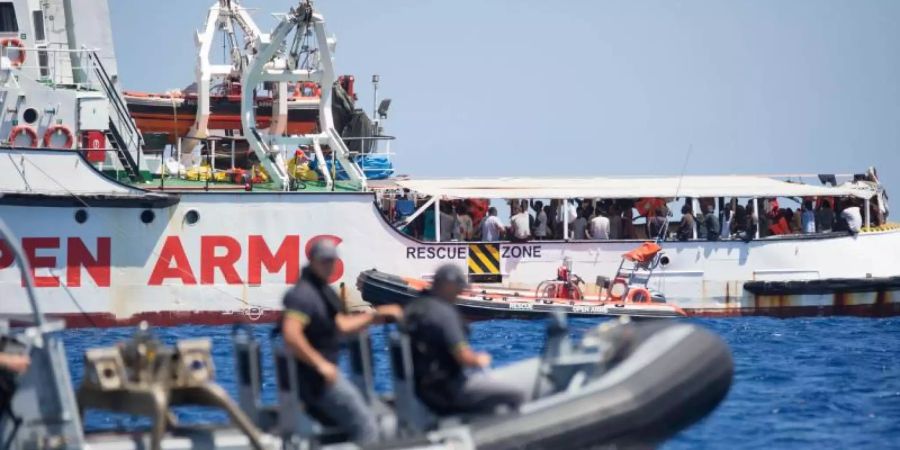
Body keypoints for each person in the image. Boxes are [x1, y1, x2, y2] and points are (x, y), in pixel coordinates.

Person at [281, 241, 402, 444]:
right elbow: (291, 334)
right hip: (316, 380)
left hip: (324, 377)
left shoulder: (322, 293)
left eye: (332, 261)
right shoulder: (303, 295)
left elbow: (340, 325)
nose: (329, 266)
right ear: (312, 262)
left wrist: (376, 316)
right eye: (324, 261)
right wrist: (321, 365)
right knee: (366, 424)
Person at [404, 265, 526, 415]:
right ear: (447, 286)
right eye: (458, 288)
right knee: (517, 393)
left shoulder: (417, 308)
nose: (460, 293)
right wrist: (479, 359)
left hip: (422, 389)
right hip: (447, 389)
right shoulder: (444, 314)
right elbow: (463, 356)